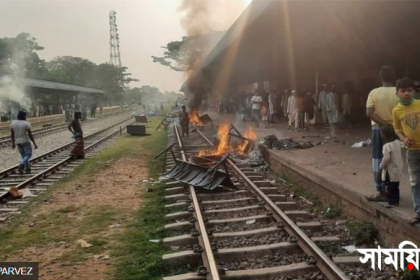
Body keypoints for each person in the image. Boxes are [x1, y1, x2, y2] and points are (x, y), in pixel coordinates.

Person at [366, 65, 397, 201]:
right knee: (393, 159)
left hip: (378, 129)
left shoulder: (374, 92)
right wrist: (391, 125)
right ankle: (392, 190)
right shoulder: (398, 92)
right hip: (395, 130)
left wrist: (383, 124)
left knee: (378, 158)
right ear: (394, 77)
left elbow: (369, 113)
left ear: (380, 77)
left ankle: (380, 189)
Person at [393, 77, 420, 224]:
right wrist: (403, 139)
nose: (406, 93)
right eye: (402, 91)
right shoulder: (396, 111)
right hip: (412, 151)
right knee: (415, 182)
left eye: (409, 90)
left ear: (414, 91)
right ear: (397, 94)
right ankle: (418, 213)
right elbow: (397, 129)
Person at [379, 124, 402, 208]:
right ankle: (396, 201)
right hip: (398, 168)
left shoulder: (386, 146)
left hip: (390, 169)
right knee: (396, 186)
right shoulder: (397, 142)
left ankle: (392, 202)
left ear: (384, 135)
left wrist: (381, 166)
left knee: (390, 186)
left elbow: (386, 158)